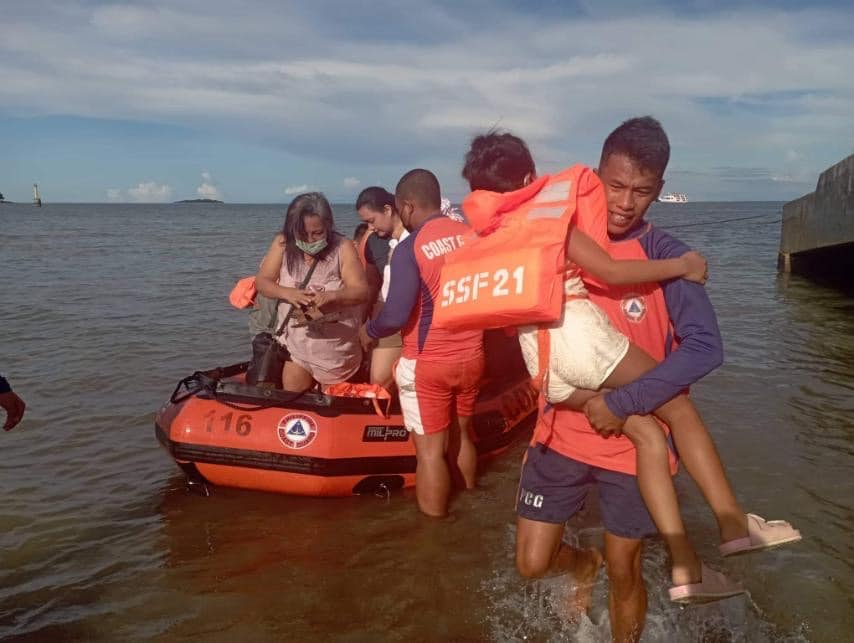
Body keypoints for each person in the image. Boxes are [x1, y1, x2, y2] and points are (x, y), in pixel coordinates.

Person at [491, 118, 800, 638]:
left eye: (641, 191)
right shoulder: (556, 241)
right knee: (532, 562)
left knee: (626, 569)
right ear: (595, 177)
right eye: (615, 186)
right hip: (559, 435)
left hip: (633, 446)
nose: (624, 203)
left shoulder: (666, 257)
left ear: (658, 190)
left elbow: (705, 349)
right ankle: (580, 565)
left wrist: (625, 401)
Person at [358, 170, 484, 518]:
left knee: (429, 453)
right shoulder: (469, 235)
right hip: (472, 355)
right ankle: (470, 504)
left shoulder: (409, 249)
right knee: (462, 435)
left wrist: (369, 330)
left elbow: (396, 315)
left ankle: (435, 531)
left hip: (428, 361)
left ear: (408, 206)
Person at [255, 192, 371, 392]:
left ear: (328, 226)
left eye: (317, 233)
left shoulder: (343, 248)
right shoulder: (283, 243)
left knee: (333, 412)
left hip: (335, 349)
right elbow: (262, 282)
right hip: (297, 347)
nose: (309, 240)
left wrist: (331, 296)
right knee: (293, 406)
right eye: (303, 234)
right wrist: (288, 293)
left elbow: (361, 291)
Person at [356, 186, 410, 389]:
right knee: (379, 380)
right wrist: (363, 322)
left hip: (417, 316)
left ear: (388, 210)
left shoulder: (414, 233)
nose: (370, 228)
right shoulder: (372, 242)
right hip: (389, 317)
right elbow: (372, 284)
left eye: (371, 221)